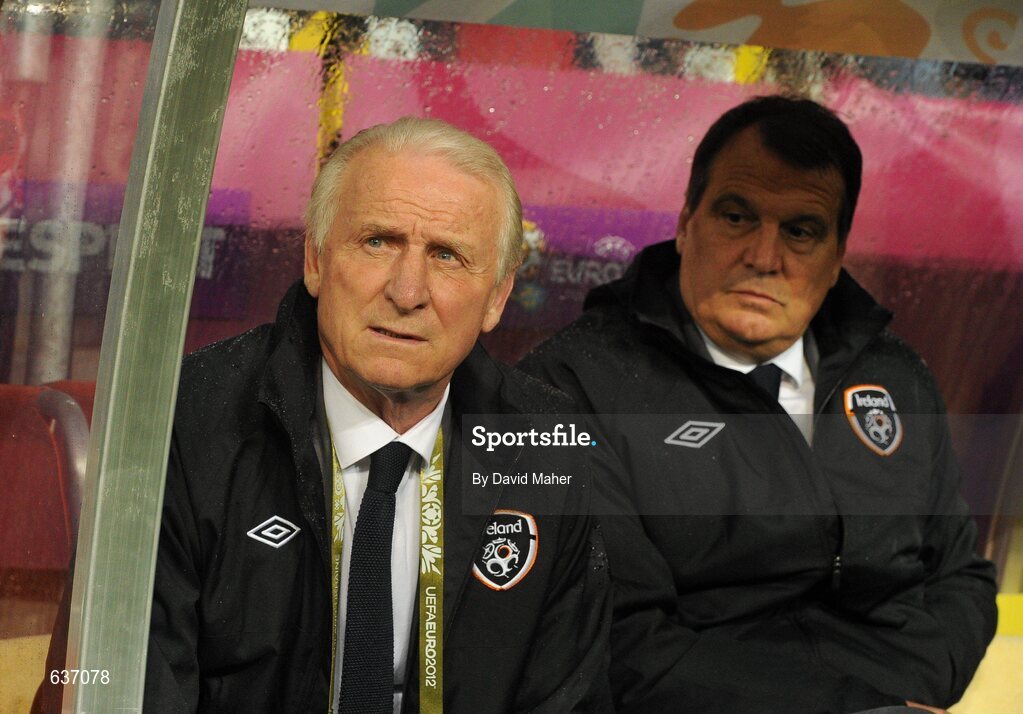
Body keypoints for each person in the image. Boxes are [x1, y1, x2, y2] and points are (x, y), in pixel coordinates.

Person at [520, 95, 997, 713]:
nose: (764, 258)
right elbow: (619, 641)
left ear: (836, 259)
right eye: (737, 217)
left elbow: (961, 577)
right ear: (686, 223)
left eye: (801, 231)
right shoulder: (569, 387)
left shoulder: (895, 377)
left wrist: (907, 695)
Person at [143, 117, 611, 713]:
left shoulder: (545, 445)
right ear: (314, 259)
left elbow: (568, 695)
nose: (408, 291)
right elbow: (134, 684)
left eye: (447, 255)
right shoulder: (186, 422)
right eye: (378, 242)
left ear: (496, 298)